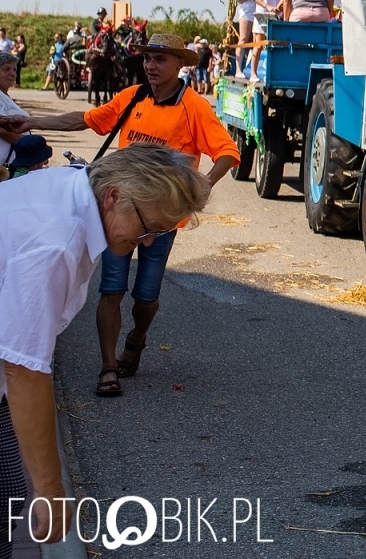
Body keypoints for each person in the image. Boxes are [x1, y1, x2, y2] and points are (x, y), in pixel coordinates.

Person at [0, 144, 210, 549]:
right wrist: (50, 488)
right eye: (148, 227)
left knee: (7, 488)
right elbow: (23, 368)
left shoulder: (73, 187)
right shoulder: (57, 242)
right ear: (114, 195)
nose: (148, 243)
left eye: (160, 234)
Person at [17, 33, 238, 398]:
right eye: (148, 58)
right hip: (117, 212)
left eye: (160, 59)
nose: (150, 65)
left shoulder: (194, 107)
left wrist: (202, 187)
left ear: (179, 64)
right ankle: (108, 366)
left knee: (146, 296)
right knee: (111, 290)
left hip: (160, 221)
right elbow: (83, 120)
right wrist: (31, 124)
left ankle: (136, 340)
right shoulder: (132, 96)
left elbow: (226, 151)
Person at [234, 0, 264, 77]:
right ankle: (237, 69)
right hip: (246, 11)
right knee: (243, 38)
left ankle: (254, 70)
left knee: (258, 41)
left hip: (258, 11)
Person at [0, 55, 24, 172]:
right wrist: (29, 146)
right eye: (6, 69)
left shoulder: (4, 96)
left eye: (14, 70)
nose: (12, 73)